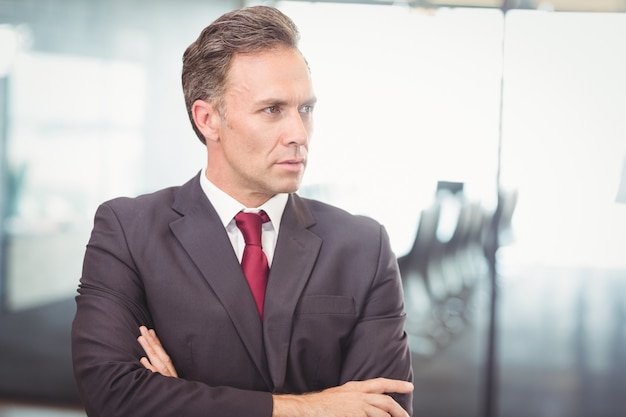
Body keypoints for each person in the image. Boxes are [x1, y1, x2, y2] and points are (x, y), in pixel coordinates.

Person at [71, 5, 413, 417]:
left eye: (306, 109)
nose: (299, 134)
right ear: (209, 119)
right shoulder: (129, 231)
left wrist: (178, 397)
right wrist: (311, 408)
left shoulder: (364, 245)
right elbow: (114, 397)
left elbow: (383, 410)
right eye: (273, 110)